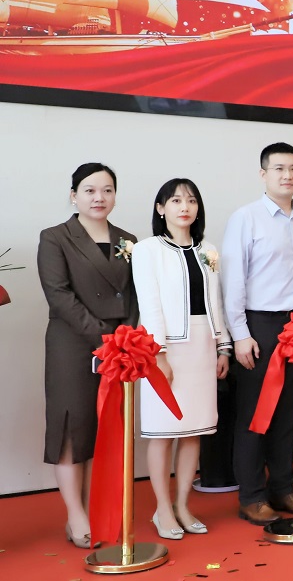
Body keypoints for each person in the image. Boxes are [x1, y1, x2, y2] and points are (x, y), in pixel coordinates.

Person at [37, 163, 137, 549]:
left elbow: (134, 296)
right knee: (71, 424)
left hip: (118, 347)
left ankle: (95, 507)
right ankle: (75, 515)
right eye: (90, 190)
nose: (99, 198)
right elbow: (59, 295)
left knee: (102, 426)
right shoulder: (55, 237)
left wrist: (125, 338)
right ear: (74, 195)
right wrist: (105, 337)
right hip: (73, 343)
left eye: (107, 190)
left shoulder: (128, 240)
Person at [222, 143, 293, 525]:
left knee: (288, 413)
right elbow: (233, 280)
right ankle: (251, 495)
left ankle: (283, 488)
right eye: (279, 168)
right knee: (254, 413)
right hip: (259, 326)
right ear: (263, 174)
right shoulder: (246, 218)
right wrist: (240, 334)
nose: (287, 175)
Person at [132, 179, 232, 539]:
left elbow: (215, 301)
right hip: (165, 348)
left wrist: (223, 347)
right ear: (161, 208)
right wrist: (157, 353)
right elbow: (149, 304)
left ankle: (183, 505)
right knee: (162, 433)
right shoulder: (147, 250)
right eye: (175, 200)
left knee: (194, 432)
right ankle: (162, 509)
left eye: (191, 200)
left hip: (203, 346)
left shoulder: (209, 250)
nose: (184, 207)